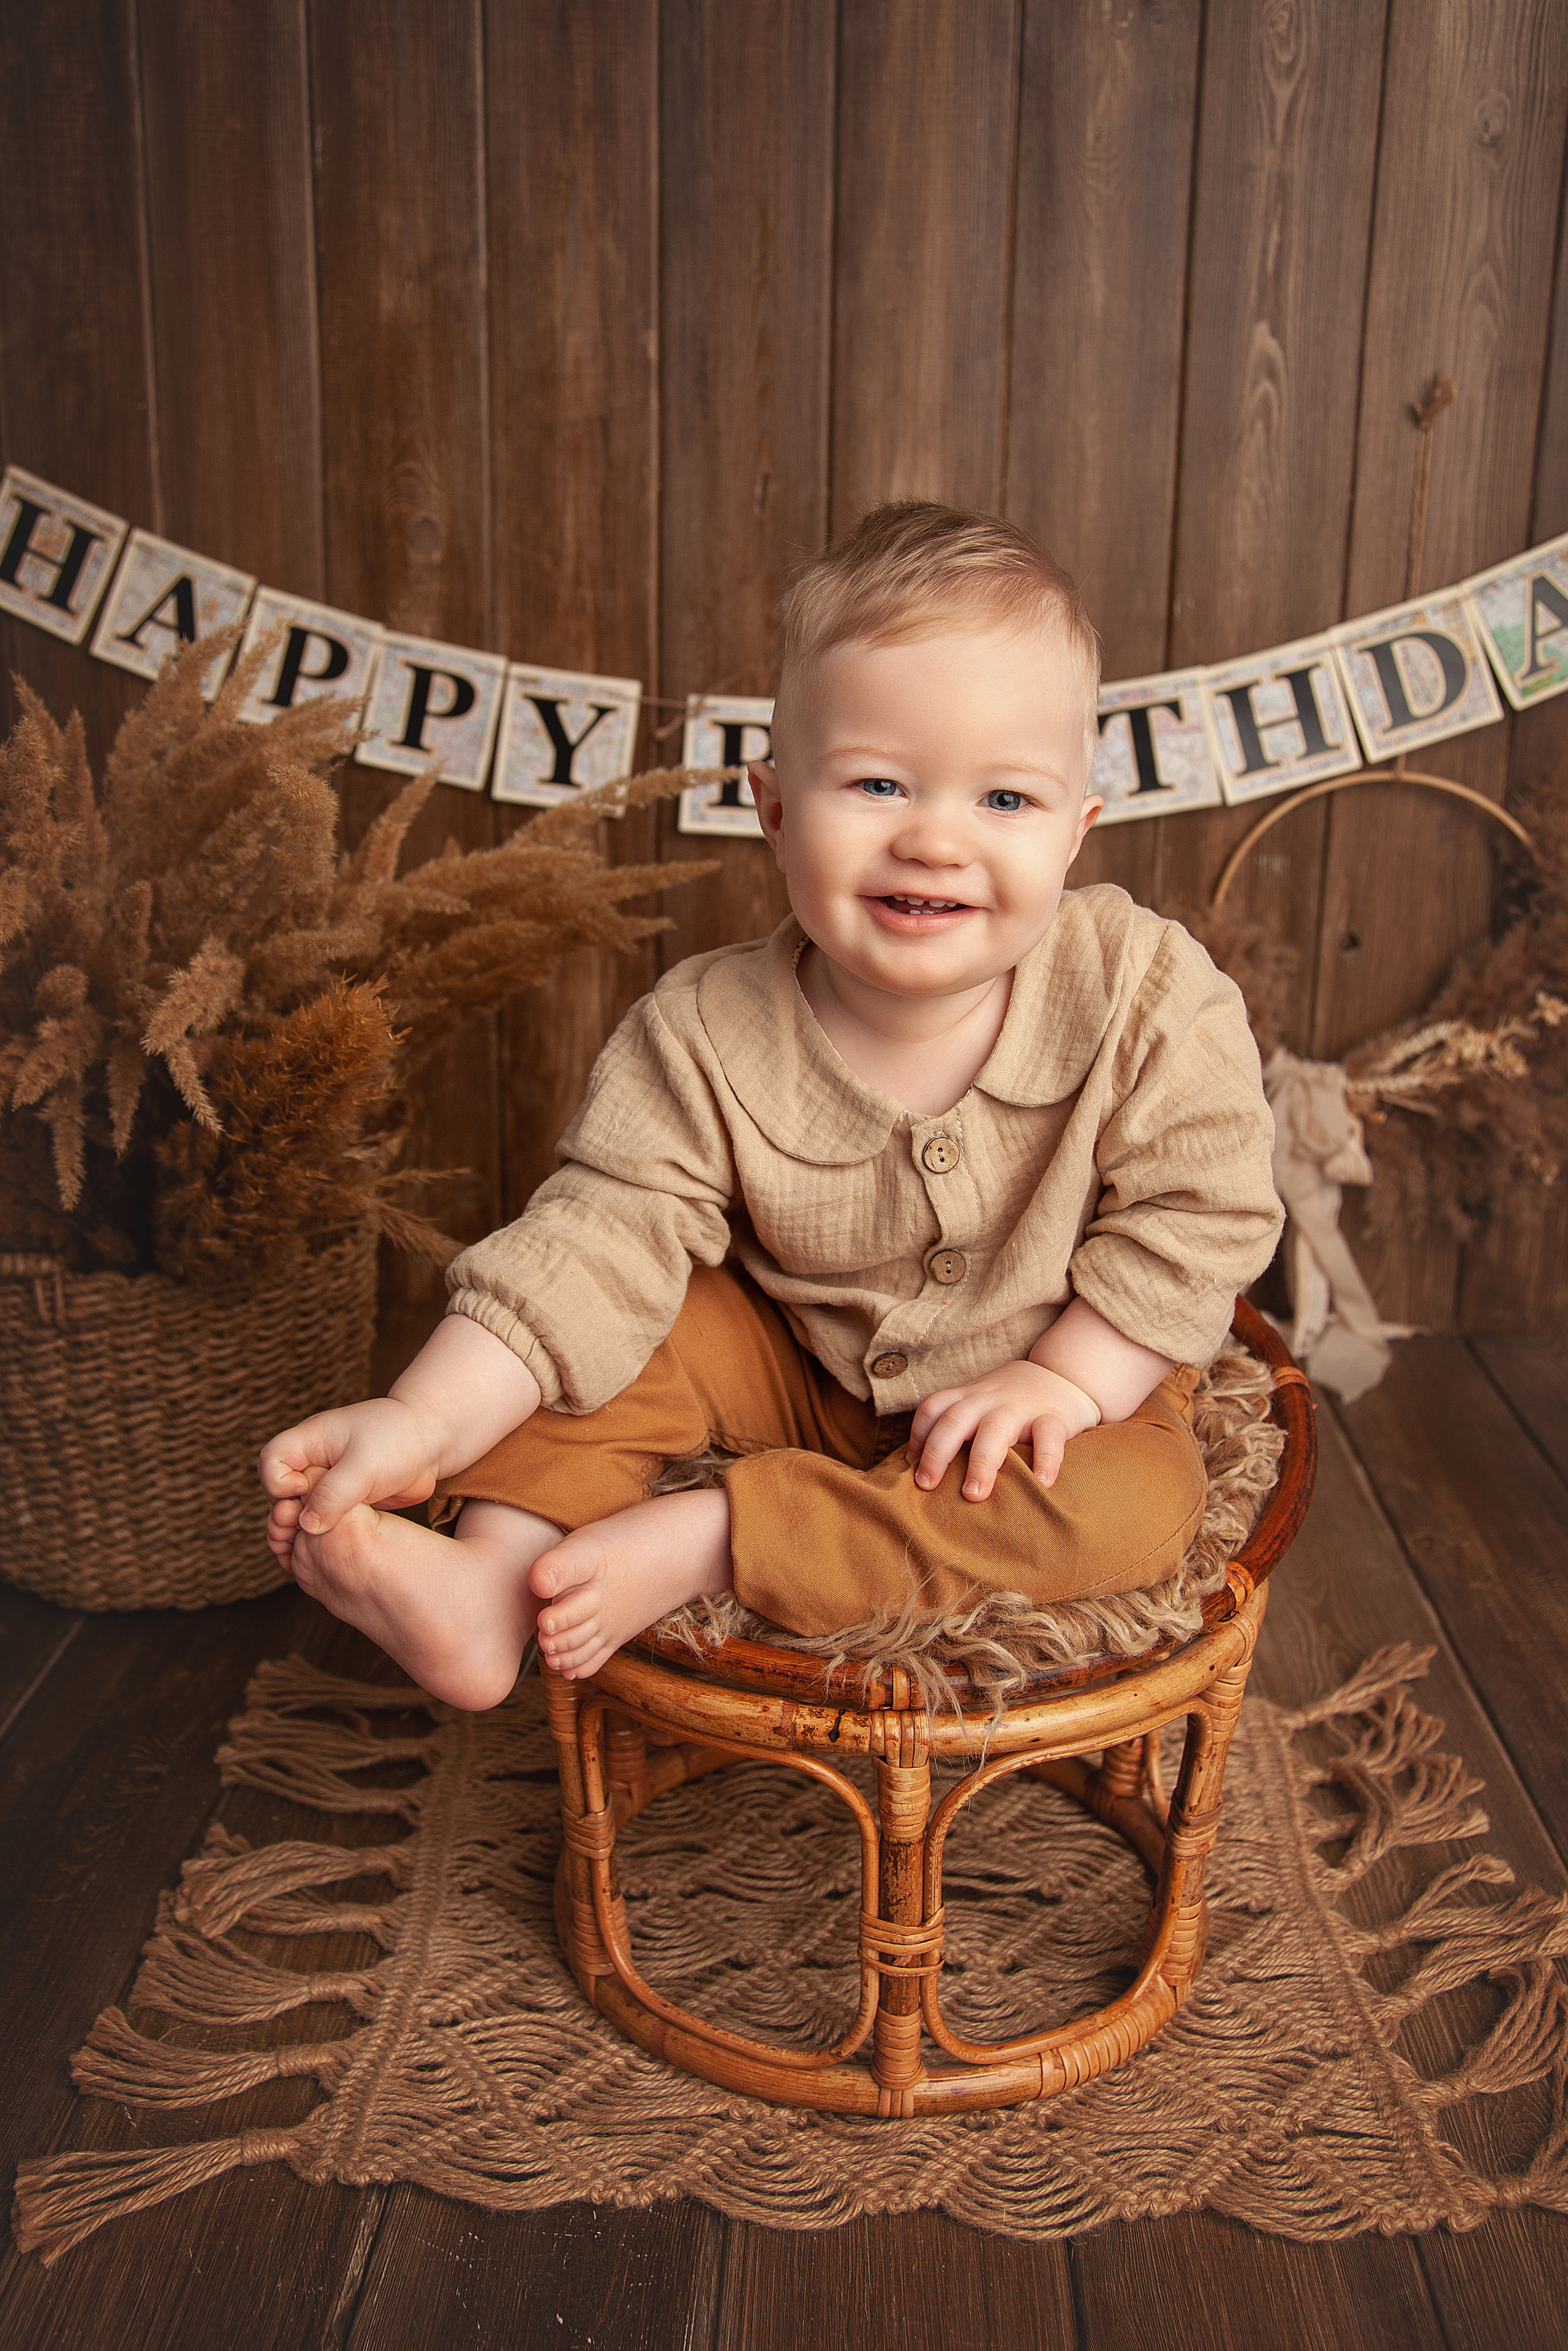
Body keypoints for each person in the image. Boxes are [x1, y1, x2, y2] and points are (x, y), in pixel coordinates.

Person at [259, 502, 1282, 1710]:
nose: (934, 839)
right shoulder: (701, 1030)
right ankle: (486, 1583)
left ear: (1075, 830)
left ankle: (716, 1536)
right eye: (878, 782)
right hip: (792, 1361)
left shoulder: (1146, 992)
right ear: (777, 807)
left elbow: (1202, 1213)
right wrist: (420, 1422)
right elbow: (585, 1246)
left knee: (1130, 1505)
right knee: (603, 1336)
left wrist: (1065, 1379)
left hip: (1054, 1382)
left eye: (1003, 800)